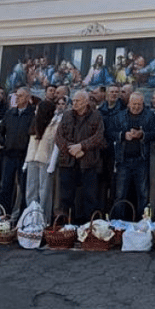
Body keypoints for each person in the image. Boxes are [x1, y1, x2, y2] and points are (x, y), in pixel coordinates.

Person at [55, 89, 106, 221]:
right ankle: (65, 228)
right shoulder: (66, 115)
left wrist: (82, 146)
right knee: (66, 197)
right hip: (67, 162)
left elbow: (99, 136)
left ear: (86, 102)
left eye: (77, 101)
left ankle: (86, 228)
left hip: (89, 163)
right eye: (74, 100)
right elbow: (59, 137)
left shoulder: (96, 116)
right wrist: (71, 149)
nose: (74, 103)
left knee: (89, 198)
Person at [112, 91, 155, 217]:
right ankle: (118, 225)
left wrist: (142, 135)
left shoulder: (150, 116)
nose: (136, 107)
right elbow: (110, 133)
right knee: (120, 194)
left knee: (143, 194)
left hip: (141, 160)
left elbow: (154, 134)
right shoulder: (119, 116)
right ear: (128, 104)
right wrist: (123, 135)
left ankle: (141, 224)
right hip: (123, 160)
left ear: (143, 104)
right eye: (134, 104)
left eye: (139, 104)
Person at [0, 87, 35, 211]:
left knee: (24, 186)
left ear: (28, 98)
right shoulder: (10, 113)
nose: (18, 98)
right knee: (5, 186)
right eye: (16, 96)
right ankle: (3, 213)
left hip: (24, 155)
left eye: (21, 96)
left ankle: (22, 214)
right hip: (9, 154)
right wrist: (4, 143)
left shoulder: (32, 113)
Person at [21, 96, 61, 212]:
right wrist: (26, 162)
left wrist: (52, 164)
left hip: (45, 161)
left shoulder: (55, 124)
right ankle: (31, 214)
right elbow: (31, 143)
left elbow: (56, 146)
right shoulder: (35, 122)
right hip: (32, 159)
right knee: (31, 190)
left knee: (44, 191)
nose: (35, 111)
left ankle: (43, 216)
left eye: (38, 109)